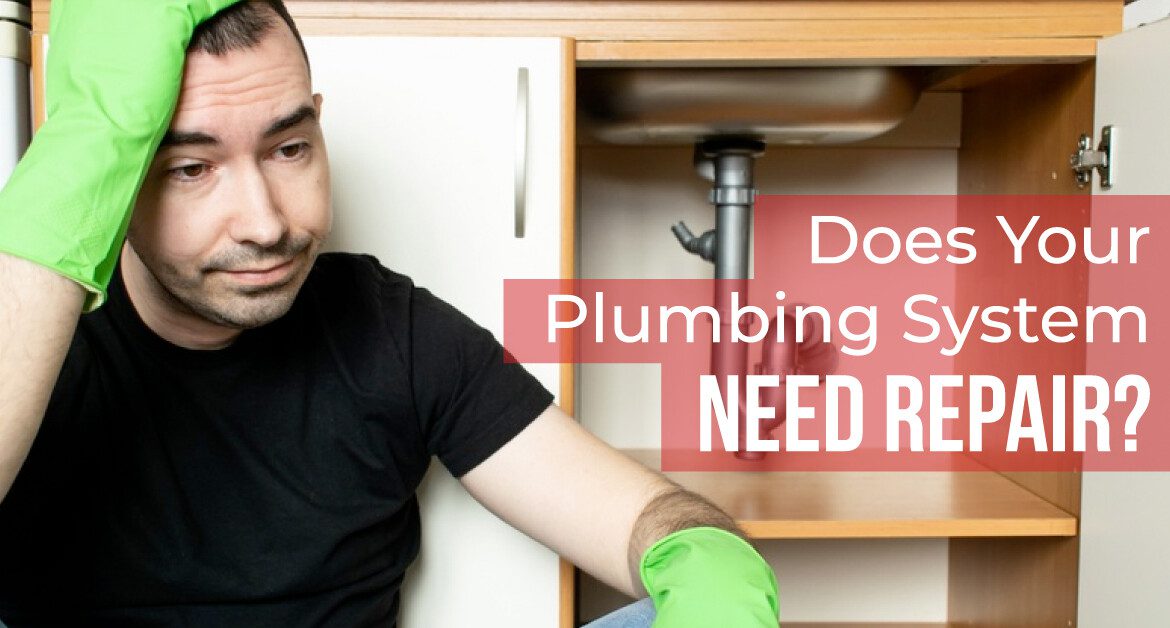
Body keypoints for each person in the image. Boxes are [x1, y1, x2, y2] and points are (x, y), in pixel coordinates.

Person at [0, 2, 780, 626]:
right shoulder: (36, 334)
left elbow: (637, 513)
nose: (266, 222)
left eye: (289, 148)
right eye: (192, 168)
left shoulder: (390, 329)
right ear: (115, 171)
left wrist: (705, 556)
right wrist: (86, 153)